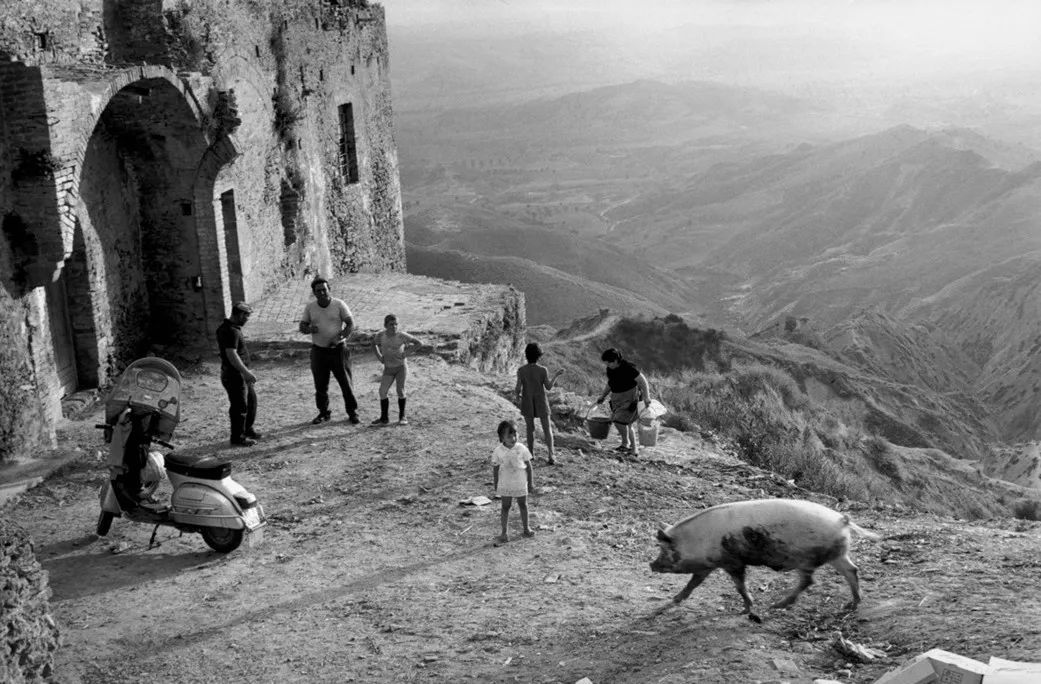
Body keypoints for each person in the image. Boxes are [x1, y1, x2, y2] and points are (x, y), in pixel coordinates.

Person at [299, 277, 359, 424]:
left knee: (346, 383)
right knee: (320, 385)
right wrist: (308, 329)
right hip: (319, 351)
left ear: (329, 289)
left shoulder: (339, 304)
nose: (322, 293)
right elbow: (302, 326)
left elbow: (350, 324)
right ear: (314, 292)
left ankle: (352, 412)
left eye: (324, 289)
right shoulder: (310, 307)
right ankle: (324, 412)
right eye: (318, 290)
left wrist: (339, 338)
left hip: (338, 351)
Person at [217, 302, 260, 447]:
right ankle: (238, 437)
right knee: (239, 406)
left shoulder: (228, 328)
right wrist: (246, 373)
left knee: (251, 402)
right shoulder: (231, 331)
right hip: (235, 375)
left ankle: (247, 430)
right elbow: (231, 354)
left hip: (237, 374)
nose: (247, 320)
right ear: (240, 314)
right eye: (246, 316)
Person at [594, 347, 651, 457]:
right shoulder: (610, 369)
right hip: (616, 399)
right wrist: (603, 396)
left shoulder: (628, 368)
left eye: (608, 363)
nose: (607, 366)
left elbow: (642, 381)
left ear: (615, 360)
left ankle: (630, 446)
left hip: (630, 399)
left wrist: (646, 397)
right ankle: (629, 447)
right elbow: (610, 383)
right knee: (622, 423)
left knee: (620, 421)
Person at [515, 342, 564, 464]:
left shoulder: (521, 370)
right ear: (539, 356)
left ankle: (530, 454)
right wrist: (556, 375)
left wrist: (517, 396)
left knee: (530, 429)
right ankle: (551, 456)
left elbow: (518, 388)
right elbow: (548, 387)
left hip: (527, 401)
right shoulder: (543, 370)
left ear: (526, 355)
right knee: (547, 429)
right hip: (541, 401)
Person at [371, 314, 423, 425]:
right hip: (388, 368)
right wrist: (379, 357)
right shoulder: (380, 335)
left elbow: (419, 343)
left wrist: (407, 353)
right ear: (385, 325)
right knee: (382, 391)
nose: (394, 326)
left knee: (400, 390)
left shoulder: (402, 336)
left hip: (400, 368)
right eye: (391, 324)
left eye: (396, 324)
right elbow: (373, 344)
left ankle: (402, 417)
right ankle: (384, 418)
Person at [491, 420, 535, 546]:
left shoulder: (522, 448)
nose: (513, 438)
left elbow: (528, 466)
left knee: (523, 505)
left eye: (515, 435)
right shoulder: (498, 451)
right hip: (506, 483)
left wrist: (530, 482)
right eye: (509, 436)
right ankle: (504, 532)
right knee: (505, 507)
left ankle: (526, 528)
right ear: (501, 437)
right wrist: (496, 483)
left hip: (520, 482)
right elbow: (495, 468)